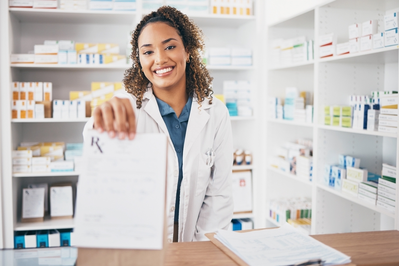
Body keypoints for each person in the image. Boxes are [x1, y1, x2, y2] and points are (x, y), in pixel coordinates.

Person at [86, 6, 233, 242]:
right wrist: (100, 120)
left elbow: (219, 197)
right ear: (139, 60)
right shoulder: (127, 109)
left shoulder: (216, 113)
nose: (160, 59)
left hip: (196, 249)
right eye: (148, 52)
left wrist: (200, 254)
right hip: (137, 248)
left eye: (170, 46)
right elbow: (99, 170)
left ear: (188, 50)